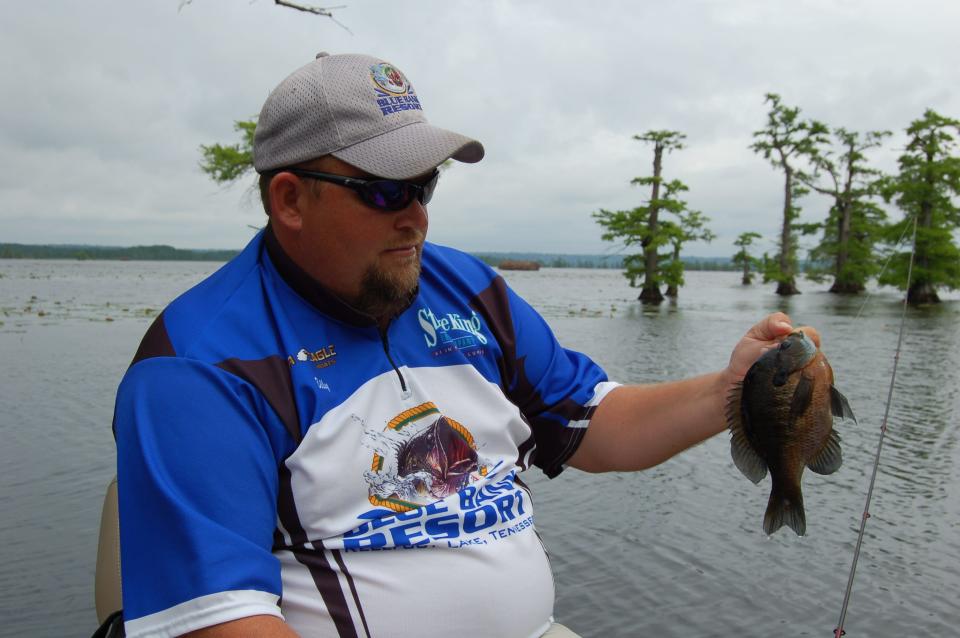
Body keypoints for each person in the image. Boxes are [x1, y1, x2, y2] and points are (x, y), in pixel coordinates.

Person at [112, 52, 810, 638]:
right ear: (290, 200)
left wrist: (737, 388)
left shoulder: (464, 288)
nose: (416, 216)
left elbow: (593, 425)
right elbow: (218, 621)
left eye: (425, 185)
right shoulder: (202, 363)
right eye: (386, 191)